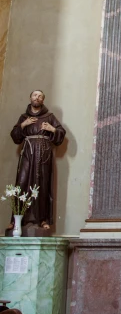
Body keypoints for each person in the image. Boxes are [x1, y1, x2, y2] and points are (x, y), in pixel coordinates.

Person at [8, 90, 66, 230]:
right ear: (30, 98)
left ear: (43, 100)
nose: (37, 97)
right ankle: (16, 220)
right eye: (35, 95)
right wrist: (23, 125)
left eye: (40, 96)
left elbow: (61, 133)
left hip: (43, 153)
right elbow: (15, 137)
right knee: (22, 183)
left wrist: (52, 129)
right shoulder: (24, 117)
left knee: (42, 184)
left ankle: (43, 220)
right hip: (27, 152)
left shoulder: (49, 116)